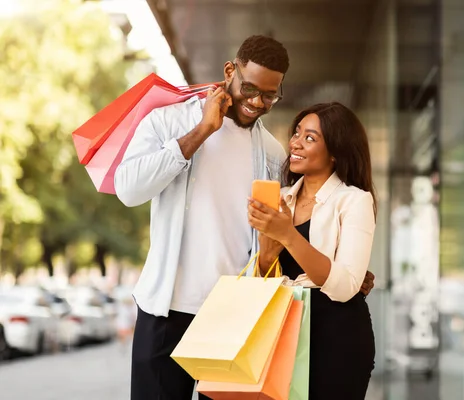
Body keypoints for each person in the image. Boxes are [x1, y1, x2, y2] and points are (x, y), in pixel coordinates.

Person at [114, 36, 375, 400]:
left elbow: (285, 227)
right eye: (250, 88)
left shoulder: (271, 151)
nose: (257, 102)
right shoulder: (168, 122)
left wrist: (348, 271)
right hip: (167, 310)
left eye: (270, 95)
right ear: (229, 71)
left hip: (236, 316)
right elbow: (129, 189)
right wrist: (203, 130)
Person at [248, 102, 377, 400]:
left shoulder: (354, 201)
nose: (295, 142)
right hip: (280, 332)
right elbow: (262, 280)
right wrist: (267, 255)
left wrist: (287, 235)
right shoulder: (279, 199)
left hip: (337, 337)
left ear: (335, 151)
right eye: (296, 133)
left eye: (310, 138)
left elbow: (345, 286)